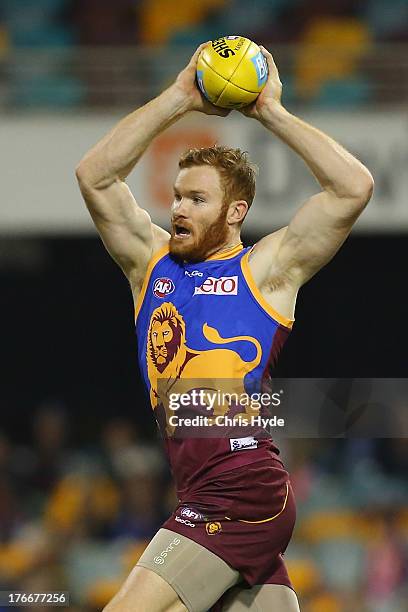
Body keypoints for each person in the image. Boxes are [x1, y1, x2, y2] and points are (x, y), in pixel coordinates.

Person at [76, 41, 373, 612]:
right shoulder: (150, 264)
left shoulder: (266, 270)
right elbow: (95, 176)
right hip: (208, 490)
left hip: (238, 490)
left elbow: (352, 187)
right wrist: (180, 97)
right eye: (177, 197)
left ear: (235, 211)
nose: (179, 210)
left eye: (197, 199)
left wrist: (271, 112)